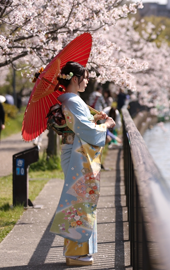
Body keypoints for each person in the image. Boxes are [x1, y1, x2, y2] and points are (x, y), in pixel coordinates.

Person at [49, 61, 115, 266]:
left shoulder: (72, 101)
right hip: (77, 155)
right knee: (78, 201)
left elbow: (82, 126)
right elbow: (85, 130)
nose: (87, 81)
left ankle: (78, 251)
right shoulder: (73, 102)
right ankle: (75, 254)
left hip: (75, 152)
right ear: (75, 79)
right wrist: (106, 125)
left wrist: (96, 120)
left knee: (80, 201)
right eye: (85, 78)